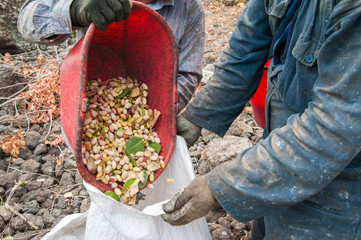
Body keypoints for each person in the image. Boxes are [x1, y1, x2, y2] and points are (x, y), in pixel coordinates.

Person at [161, 0, 361, 239]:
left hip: (339, 187)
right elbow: (244, 53)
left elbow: (333, 128)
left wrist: (223, 186)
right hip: (277, 151)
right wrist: (196, 118)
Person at [17, 0, 205, 113]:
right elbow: (27, 22)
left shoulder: (189, 7)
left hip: (146, 111)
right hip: (87, 101)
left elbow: (187, 75)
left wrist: (152, 112)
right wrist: (75, 11)